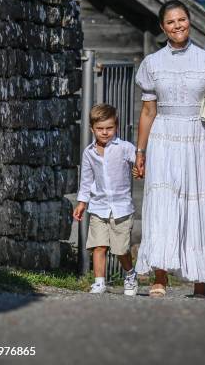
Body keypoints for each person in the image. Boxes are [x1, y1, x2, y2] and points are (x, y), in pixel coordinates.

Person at [133, 0, 205, 298]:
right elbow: (147, 112)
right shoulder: (152, 64)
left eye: (182, 20)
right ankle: (160, 276)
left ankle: (201, 278)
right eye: (171, 22)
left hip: (199, 138)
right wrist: (139, 152)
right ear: (162, 27)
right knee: (164, 203)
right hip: (164, 137)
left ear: (189, 22)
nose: (177, 25)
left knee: (198, 203)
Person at [73, 104, 138, 296]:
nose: (105, 132)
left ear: (116, 126)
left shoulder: (125, 148)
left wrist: (139, 169)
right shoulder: (89, 152)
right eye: (100, 129)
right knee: (98, 246)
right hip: (99, 206)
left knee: (120, 250)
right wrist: (82, 203)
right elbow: (86, 180)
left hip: (122, 208)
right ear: (92, 129)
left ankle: (130, 274)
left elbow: (140, 164)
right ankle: (99, 282)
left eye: (109, 128)